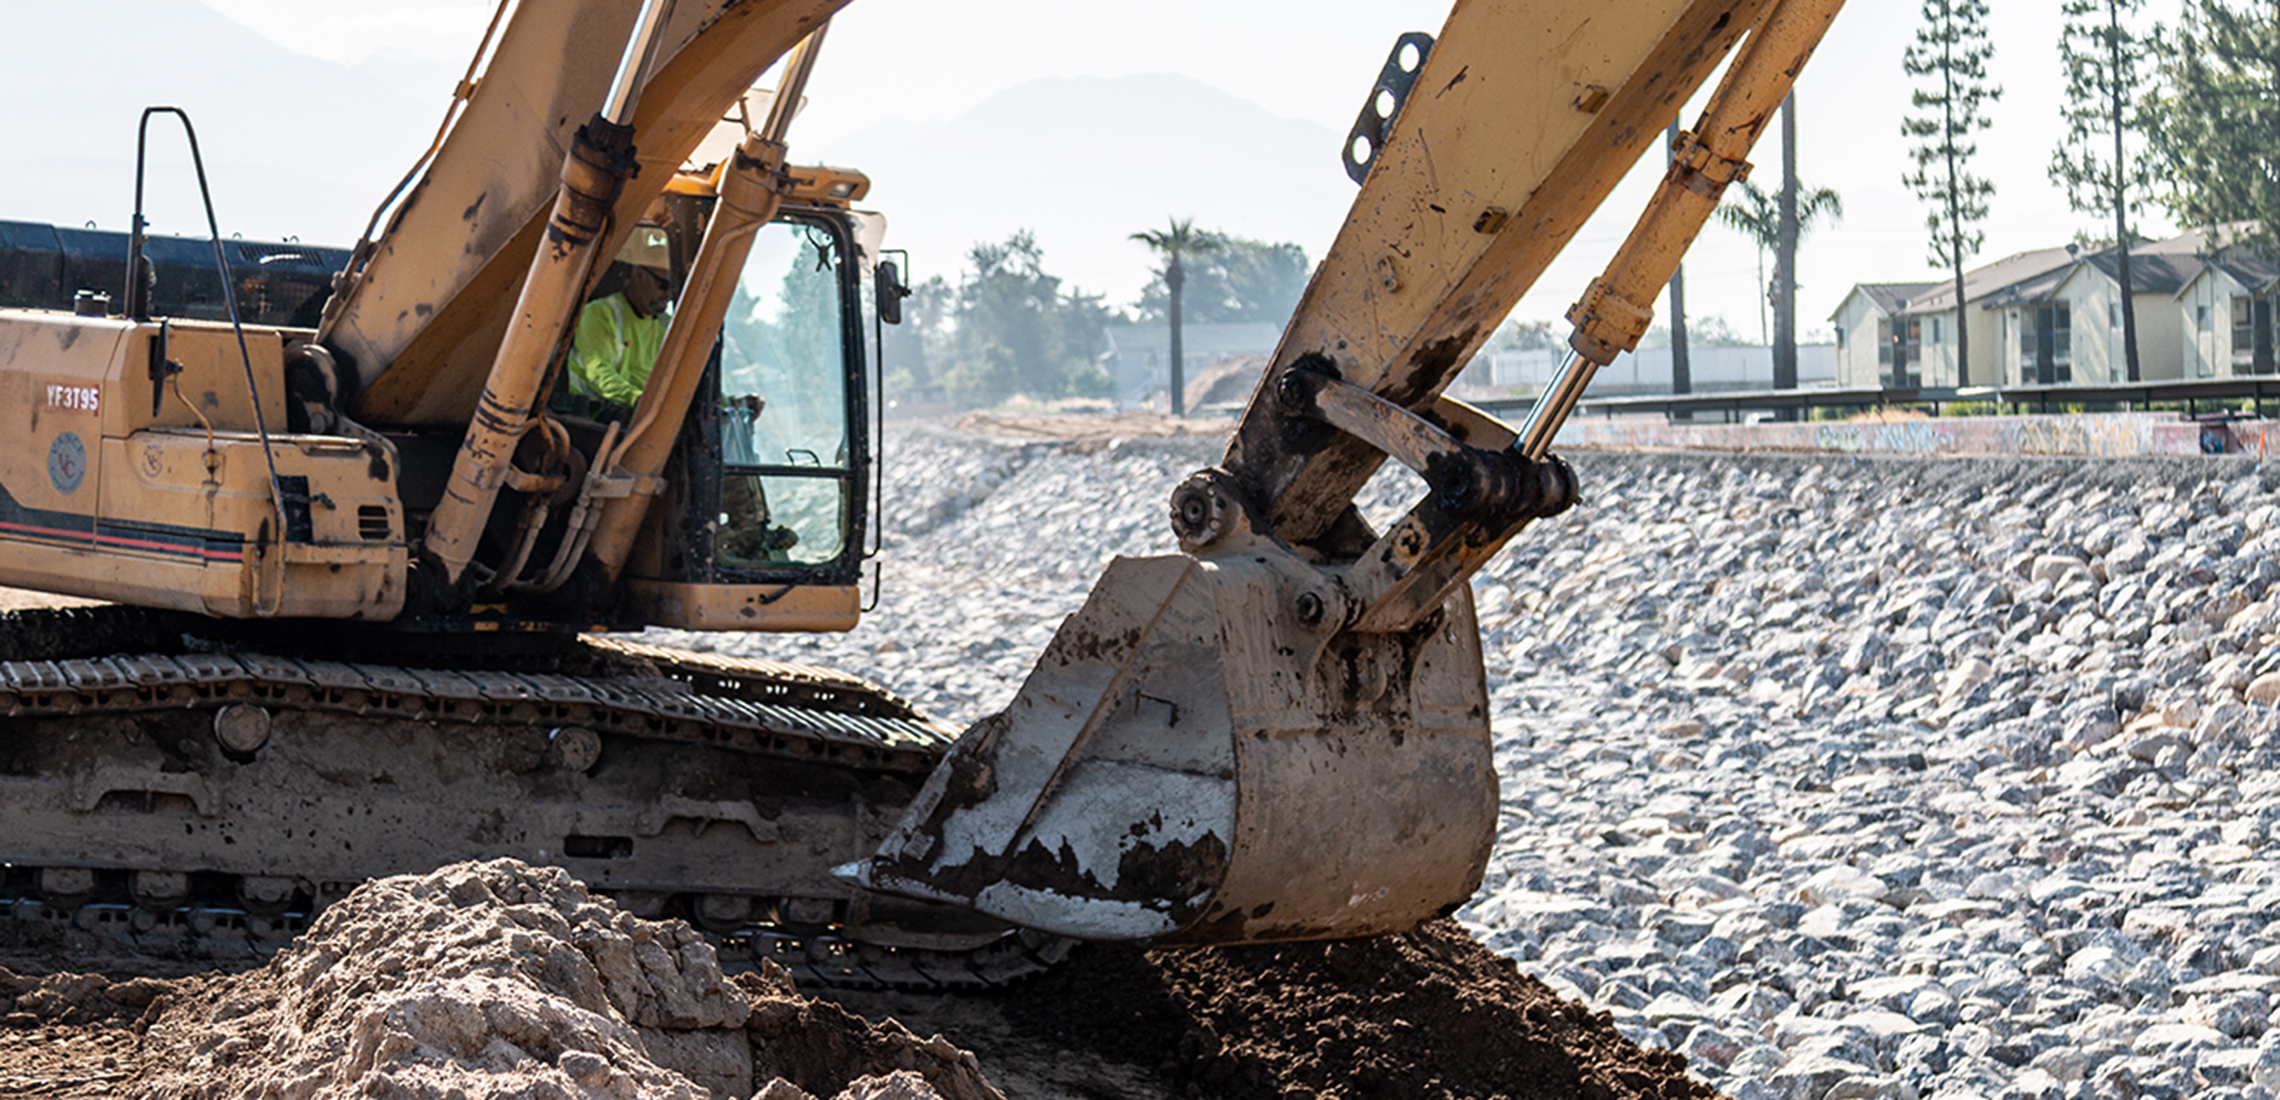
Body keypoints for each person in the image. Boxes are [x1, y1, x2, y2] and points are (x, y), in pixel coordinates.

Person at [565, 227, 674, 411]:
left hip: (642, 418)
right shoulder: (600, 314)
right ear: (639, 274)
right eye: (663, 285)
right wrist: (638, 400)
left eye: (674, 286)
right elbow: (598, 372)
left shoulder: (668, 325)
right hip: (590, 420)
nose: (668, 294)